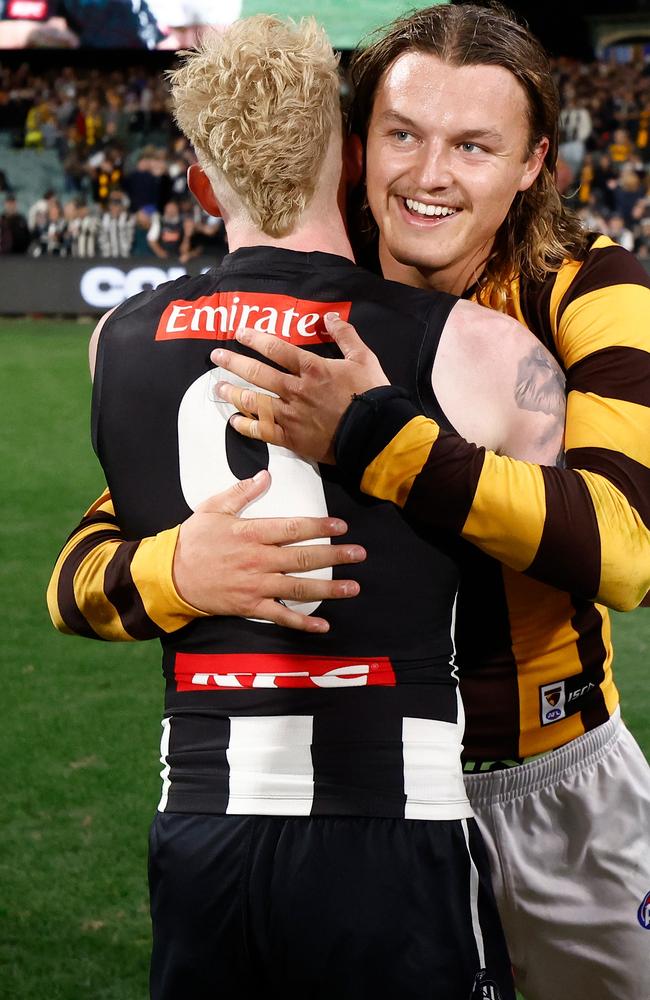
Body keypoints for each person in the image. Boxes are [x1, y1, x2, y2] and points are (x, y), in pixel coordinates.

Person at [46, 5, 650, 999]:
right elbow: (105, 539)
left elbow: (624, 549)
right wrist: (177, 567)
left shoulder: (593, 288)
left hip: (548, 777)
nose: (425, 176)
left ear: (532, 161)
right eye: (402, 136)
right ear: (355, 145)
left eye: (471, 145)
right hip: (370, 797)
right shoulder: (320, 293)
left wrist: (373, 436)